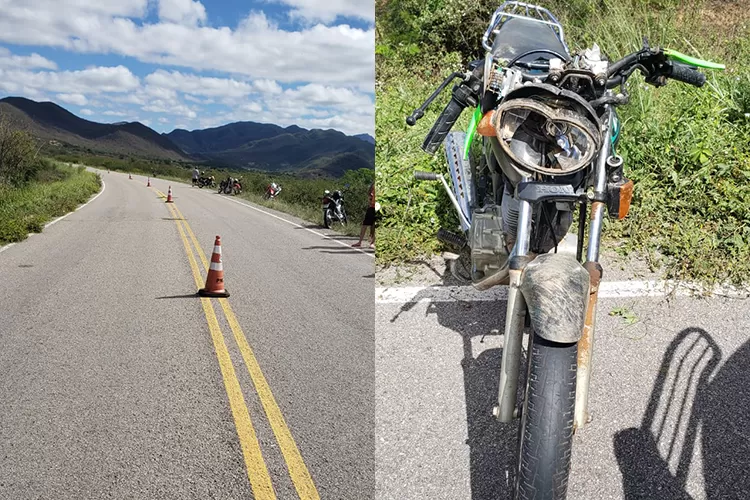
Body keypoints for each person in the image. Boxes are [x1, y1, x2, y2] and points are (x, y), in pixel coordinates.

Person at [353, 182, 375, 248]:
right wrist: (370, 197)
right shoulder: (374, 184)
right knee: (365, 224)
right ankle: (360, 242)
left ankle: (372, 243)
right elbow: (369, 192)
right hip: (372, 206)